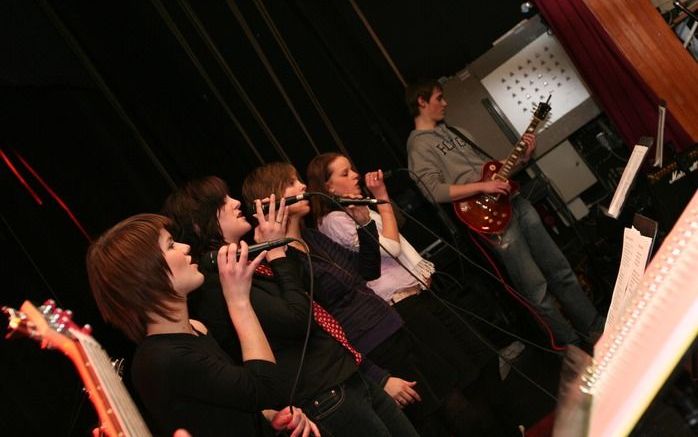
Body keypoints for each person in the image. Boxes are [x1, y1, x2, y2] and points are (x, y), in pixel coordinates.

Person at [243, 163, 517, 436]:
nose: (302, 186)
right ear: (273, 197)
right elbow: (323, 326)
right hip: (374, 346)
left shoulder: (311, 237)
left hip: (393, 326)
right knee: (442, 416)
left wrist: (364, 224)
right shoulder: (283, 262)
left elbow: (367, 271)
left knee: (457, 398)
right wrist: (377, 376)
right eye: (292, 182)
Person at [162, 178, 418, 437]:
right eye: (222, 202)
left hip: (347, 374)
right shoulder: (217, 282)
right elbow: (298, 319)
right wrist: (278, 255)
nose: (236, 203)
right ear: (198, 222)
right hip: (324, 394)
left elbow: (312, 294)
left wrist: (278, 245)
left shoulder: (250, 256)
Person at [405, 78, 605, 346]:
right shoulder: (418, 145)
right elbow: (433, 191)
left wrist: (522, 156)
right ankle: (571, 347)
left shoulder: (455, 131)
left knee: (560, 269)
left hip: (514, 202)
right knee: (536, 288)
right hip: (488, 217)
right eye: (439, 97)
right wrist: (483, 186)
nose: (445, 103)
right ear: (421, 101)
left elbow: (491, 169)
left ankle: (596, 328)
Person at [86, 213, 319, 436]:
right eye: (170, 245)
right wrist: (239, 301)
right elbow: (266, 387)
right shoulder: (160, 359)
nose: (184, 247)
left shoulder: (196, 328)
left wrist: (270, 418)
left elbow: (233, 405)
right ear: (145, 276)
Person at [306, 152, 494, 371]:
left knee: (479, 352)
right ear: (328, 187)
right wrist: (382, 198)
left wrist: (379, 199)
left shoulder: (357, 208)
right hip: (401, 301)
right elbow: (391, 248)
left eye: (352, 169)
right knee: (463, 364)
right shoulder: (334, 220)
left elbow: (398, 224)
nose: (356, 176)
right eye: (345, 173)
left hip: (417, 293)